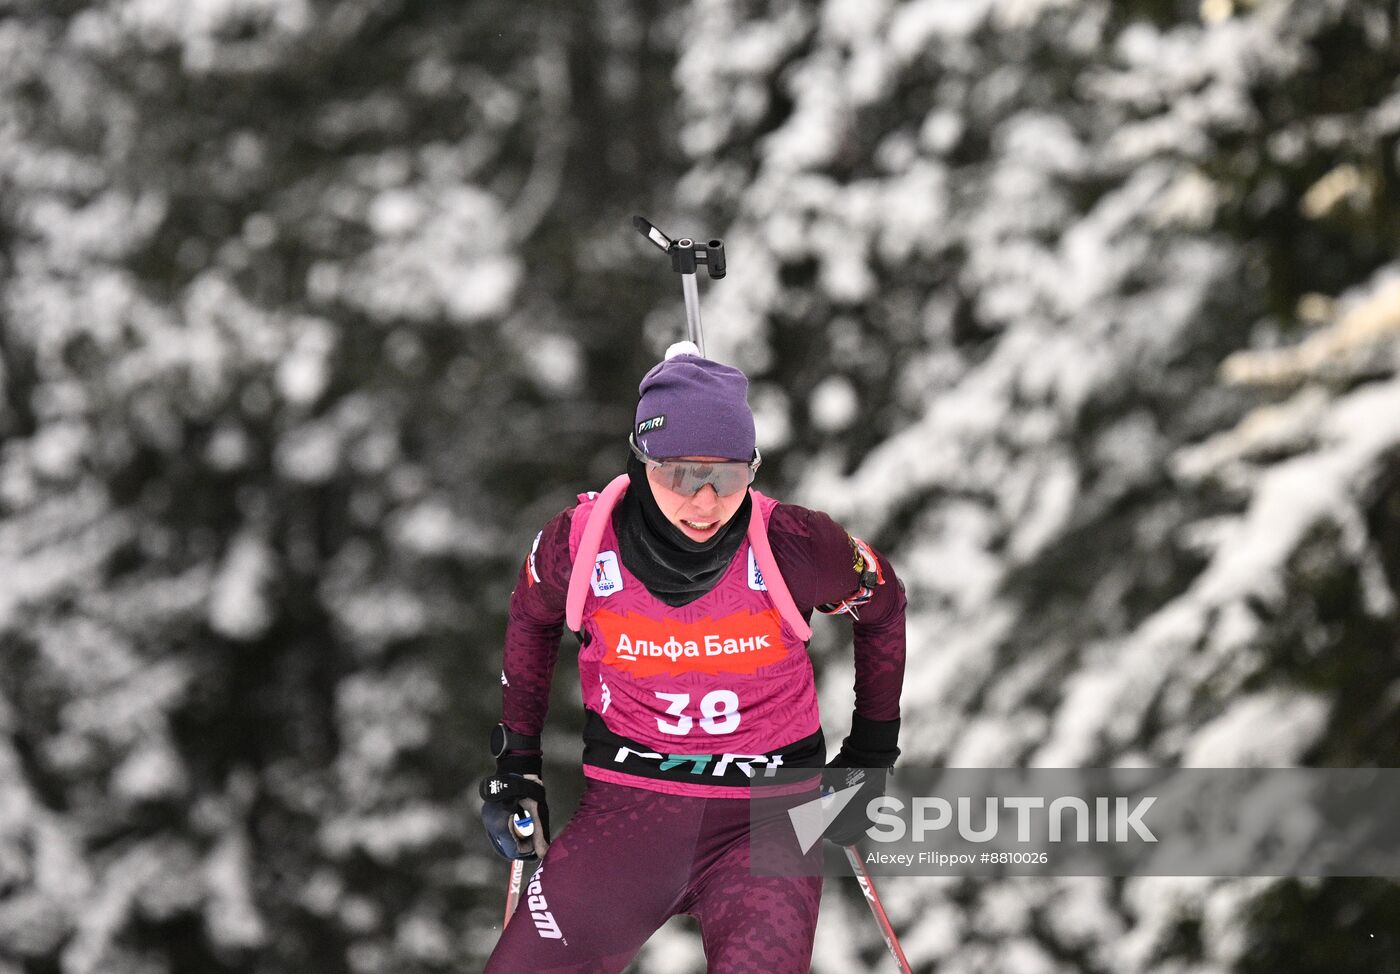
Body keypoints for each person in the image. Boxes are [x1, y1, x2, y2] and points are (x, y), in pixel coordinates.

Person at [480, 344, 907, 973]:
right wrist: (518, 761)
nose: (706, 502)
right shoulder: (579, 544)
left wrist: (872, 751)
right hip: (628, 815)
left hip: (772, 822)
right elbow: (531, 617)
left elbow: (884, 605)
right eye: (681, 473)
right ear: (642, 460)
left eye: (729, 475)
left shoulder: (796, 545)